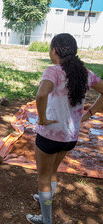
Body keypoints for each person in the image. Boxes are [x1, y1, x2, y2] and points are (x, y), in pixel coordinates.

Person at [26, 33, 103, 224]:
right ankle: (45, 198)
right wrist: (89, 114)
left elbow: (41, 95)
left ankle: (46, 220)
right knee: (52, 172)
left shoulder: (53, 71)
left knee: (43, 177)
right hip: (70, 138)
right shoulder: (85, 73)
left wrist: (42, 118)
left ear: (54, 50)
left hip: (49, 136)